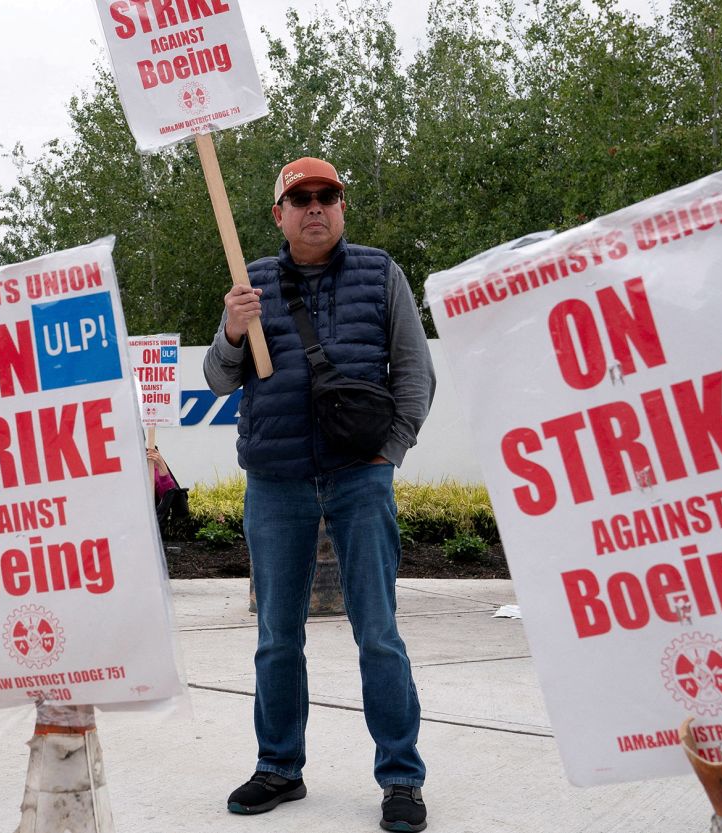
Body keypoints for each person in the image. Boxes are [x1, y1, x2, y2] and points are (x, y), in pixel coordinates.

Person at [204, 157, 436, 831]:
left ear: (342, 206)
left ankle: (401, 775)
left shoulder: (380, 272)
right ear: (279, 213)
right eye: (299, 197)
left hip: (359, 476)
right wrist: (229, 326)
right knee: (277, 635)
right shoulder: (250, 283)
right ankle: (279, 764)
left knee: (379, 633)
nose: (314, 206)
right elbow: (220, 379)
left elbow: (415, 372)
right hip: (275, 480)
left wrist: (387, 454)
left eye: (326, 195)